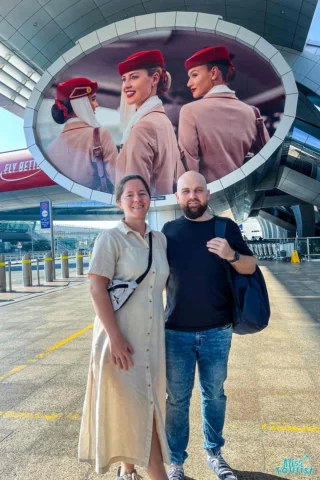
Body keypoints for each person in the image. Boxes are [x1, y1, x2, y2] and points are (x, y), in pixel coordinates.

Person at [162, 171, 257, 480]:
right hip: (176, 332)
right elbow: (156, 279)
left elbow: (250, 265)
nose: (193, 196)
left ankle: (214, 454)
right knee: (176, 399)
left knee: (214, 394)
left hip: (218, 330)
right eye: (186, 191)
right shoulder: (168, 232)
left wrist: (231, 254)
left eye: (198, 190)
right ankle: (176, 463)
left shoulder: (225, 227)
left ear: (207, 195)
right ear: (177, 197)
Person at [79, 174, 170, 480]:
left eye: (142, 193)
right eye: (129, 195)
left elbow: (162, 287)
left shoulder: (160, 240)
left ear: (149, 198)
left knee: (144, 406)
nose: (136, 199)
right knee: (145, 414)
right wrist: (115, 338)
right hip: (120, 343)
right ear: (119, 202)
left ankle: (126, 470)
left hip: (152, 342)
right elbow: (96, 288)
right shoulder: (110, 239)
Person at [178, 46, 270, 182]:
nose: (188, 83)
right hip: (240, 192)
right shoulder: (252, 112)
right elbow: (266, 160)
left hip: (207, 195)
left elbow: (188, 168)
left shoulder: (189, 111)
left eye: (194, 75)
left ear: (214, 73)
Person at [116, 50, 180, 196]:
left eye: (134, 77)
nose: (126, 85)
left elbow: (136, 192)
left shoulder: (143, 127)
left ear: (155, 78)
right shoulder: (163, 120)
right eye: (124, 79)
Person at [47, 77, 117, 193]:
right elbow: (118, 179)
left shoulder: (50, 148)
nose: (97, 105)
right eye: (93, 99)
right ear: (80, 103)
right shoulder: (100, 135)